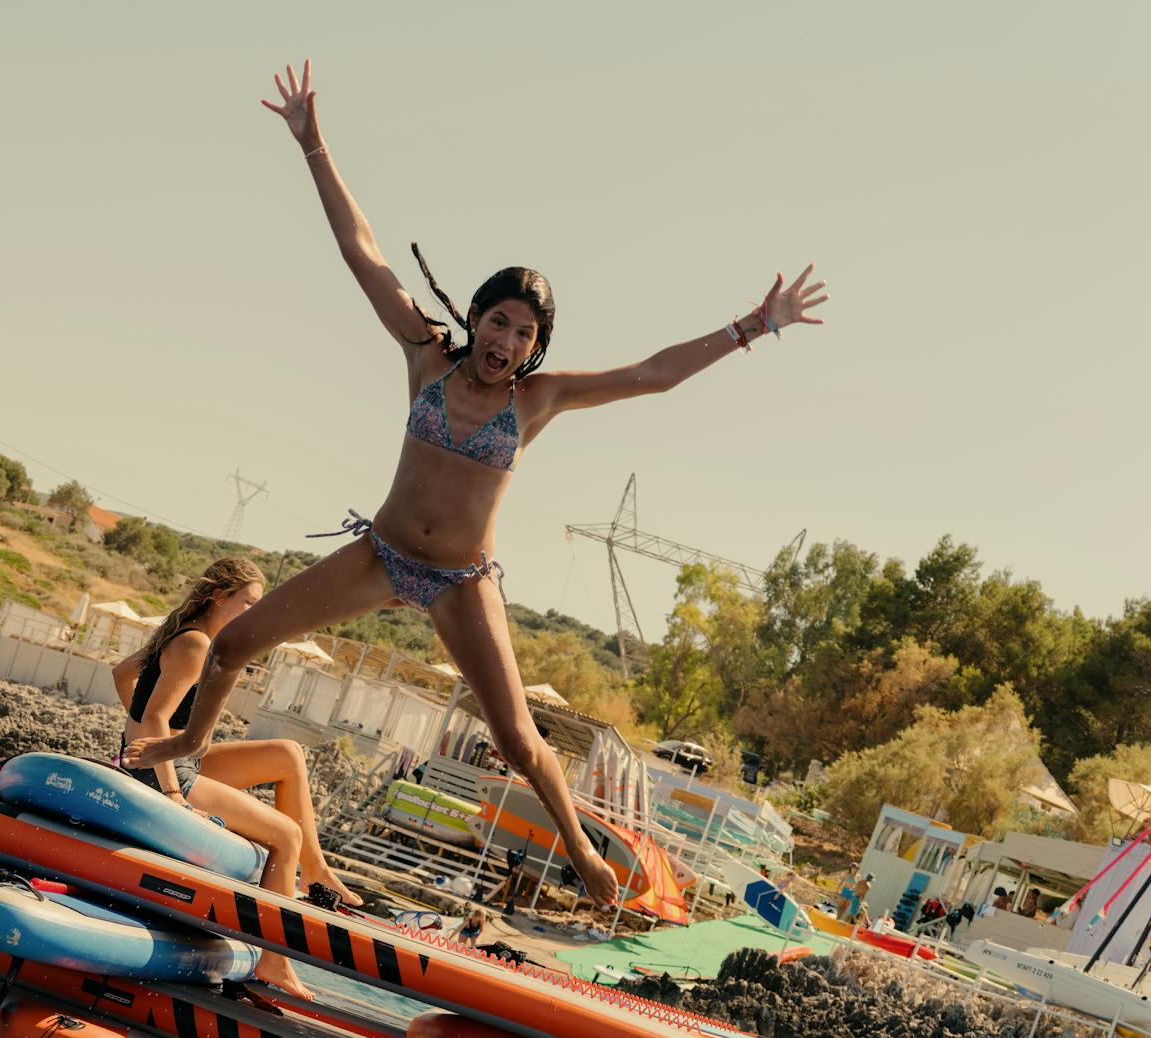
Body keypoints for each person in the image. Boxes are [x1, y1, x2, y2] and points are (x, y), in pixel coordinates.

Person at [125, 60, 829, 912]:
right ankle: (183, 743)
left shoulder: (537, 400)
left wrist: (755, 324)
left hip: (461, 582)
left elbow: (653, 374)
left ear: (533, 349)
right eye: (497, 320)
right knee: (236, 647)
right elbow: (363, 254)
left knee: (517, 738)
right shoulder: (426, 356)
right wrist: (313, 145)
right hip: (378, 557)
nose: (504, 340)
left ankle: (588, 859)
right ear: (475, 319)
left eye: (522, 334)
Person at [112, 557, 358, 1001]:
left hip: (172, 760)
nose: (253, 611)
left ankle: (315, 871)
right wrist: (169, 788)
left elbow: (122, 675)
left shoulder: (186, 636)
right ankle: (273, 962)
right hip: (164, 772)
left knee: (287, 754)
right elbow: (155, 715)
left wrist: (133, 737)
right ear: (218, 597)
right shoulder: (196, 646)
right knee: (285, 836)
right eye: (246, 602)